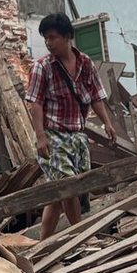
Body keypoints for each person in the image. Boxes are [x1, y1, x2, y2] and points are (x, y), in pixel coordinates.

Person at [25, 12, 118, 239]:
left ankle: (43, 243)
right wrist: (40, 137)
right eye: (45, 38)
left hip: (77, 136)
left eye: (53, 37)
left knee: (60, 193)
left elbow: (96, 96)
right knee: (69, 187)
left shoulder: (85, 63)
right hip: (53, 135)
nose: (48, 43)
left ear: (68, 37)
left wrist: (107, 123)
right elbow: (34, 104)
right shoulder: (42, 68)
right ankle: (81, 238)